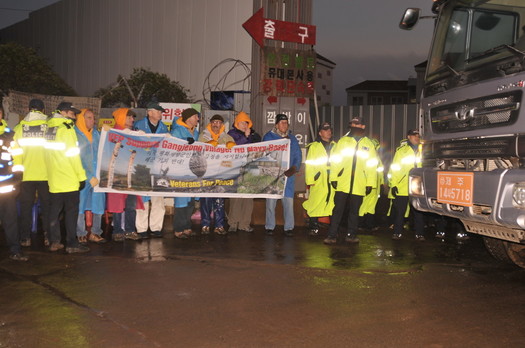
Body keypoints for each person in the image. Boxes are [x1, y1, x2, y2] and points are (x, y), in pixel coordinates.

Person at [323, 117, 378, 245]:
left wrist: (370, 183)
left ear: (363, 126)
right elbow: (335, 161)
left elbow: (371, 165)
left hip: (359, 183)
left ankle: (351, 235)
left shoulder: (368, 144)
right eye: (352, 124)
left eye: (357, 124)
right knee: (338, 210)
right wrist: (334, 178)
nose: (354, 125)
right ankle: (332, 235)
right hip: (343, 182)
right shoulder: (343, 141)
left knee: (355, 211)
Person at [45, 102, 89, 253]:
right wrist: (81, 177)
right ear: (63, 112)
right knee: (71, 213)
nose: (74, 117)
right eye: (72, 113)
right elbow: (73, 156)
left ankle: (54, 242)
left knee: (54, 212)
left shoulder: (49, 128)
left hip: (54, 179)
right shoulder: (67, 128)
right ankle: (72, 244)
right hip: (69, 178)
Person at [12, 99, 50, 247]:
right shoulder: (49, 126)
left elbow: (16, 153)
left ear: (29, 109)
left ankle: (25, 238)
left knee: (26, 207)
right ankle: (48, 236)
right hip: (45, 175)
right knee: (47, 207)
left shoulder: (19, 128)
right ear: (43, 110)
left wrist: (18, 173)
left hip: (26, 175)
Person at [105, 108, 143, 242]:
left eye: (132, 118)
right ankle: (117, 231)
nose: (132, 120)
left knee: (130, 205)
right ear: (121, 117)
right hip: (116, 175)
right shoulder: (112, 133)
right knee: (117, 205)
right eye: (129, 117)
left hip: (130, 175)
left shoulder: (134, 134)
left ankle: (130, 230)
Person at [133, 101, 169, 239]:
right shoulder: (139, 126)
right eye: (158, 111)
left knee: (158, 200)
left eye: (161, 111)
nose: (161, 114)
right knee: (142, 200)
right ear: (150, 112)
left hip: (158, 168)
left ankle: (156, 227)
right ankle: (141, 228)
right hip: (142, 167)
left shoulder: (164, 128)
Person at [262, 114, 302, 237]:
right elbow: (264, 152)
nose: (284, 125)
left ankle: (289, 227)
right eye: (282, 122)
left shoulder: (292, 139)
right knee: (270, 202)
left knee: (288, 202)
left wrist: (294, 168)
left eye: (286, 122)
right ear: (276, 124)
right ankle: (269, 226)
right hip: (273, 176)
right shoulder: (269, 137)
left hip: (288, 176)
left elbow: (297, 155)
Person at [198, 114, 235, 235]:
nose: (216, 124)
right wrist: (207, 144)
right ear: (210, 123)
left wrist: (232, 148)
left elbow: (233, 157)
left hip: (221, 173)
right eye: (214, 122)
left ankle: (219, 225)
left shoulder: (228, 137)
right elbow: (197, 152)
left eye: (218, 122)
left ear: (222, 125)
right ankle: (205, 224)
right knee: (206, 200)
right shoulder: (203, 137)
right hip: (207, 173)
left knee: (219, 200)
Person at [0, 106, 27, 261]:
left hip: (7, 188)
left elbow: (18, 157)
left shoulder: (10, 135)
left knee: (11, 221)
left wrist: (17, 179)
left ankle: (15, 250)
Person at [74, 108, 106, 244]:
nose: (92, 121)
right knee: (80, 206)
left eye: (93, 118)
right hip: (81, 176)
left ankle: (95, 232)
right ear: (81, 119)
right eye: (89, 118)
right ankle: (80, 233)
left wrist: (108, 134)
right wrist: (88, 175)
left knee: (98, 204)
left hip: (97, 177)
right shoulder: (74, 135)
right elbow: (75, 158)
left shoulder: (97, 134)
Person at [226, 111, 261, 233]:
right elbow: (236, 146)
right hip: (236, 169)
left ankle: (244, 223)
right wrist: (246, 137)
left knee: (248, 197)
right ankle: (233, 223)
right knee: (236, 198)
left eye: (246, 123)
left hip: (249, 169)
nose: (244, 125)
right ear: (237, 123)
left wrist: (252, 136)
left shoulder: (252, 135)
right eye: (242, 123)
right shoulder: (231, 134)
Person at [388, 129, 425, 241]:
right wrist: (393, 184)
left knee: (418, 212)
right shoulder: (401, 151)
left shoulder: (423, 151)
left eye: (418, 136)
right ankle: (397, 232)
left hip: (418, 187)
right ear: (409, 137)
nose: (417, 137)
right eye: (414, 135)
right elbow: (394, 168)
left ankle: (419, 234)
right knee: (400, 211)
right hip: (402, 186)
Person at [171, 108, 200, 239]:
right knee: (181, 201)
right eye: (195, 117)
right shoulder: (177, 131)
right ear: (188, 118)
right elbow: (170, 147)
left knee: (190, 201)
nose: (197, 119)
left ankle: (187, 226)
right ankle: (178, 228)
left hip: (192, 170)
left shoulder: (196, 132)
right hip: (180, 170)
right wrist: (184, 144)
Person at [302, 122, 335, 236]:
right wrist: (311, 180)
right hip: (319, 180)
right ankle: (313, 226)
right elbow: (310, 164)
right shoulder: (314, 146)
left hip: (332, 180)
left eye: (330, 129)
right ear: (320, 133)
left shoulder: (335, 146)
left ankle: (333, 228)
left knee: (332, 202)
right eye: (325, 129)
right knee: (315, 202)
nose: (329, 131)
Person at [358, 138, 384, 231]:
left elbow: (380, 172)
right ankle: (360, 224)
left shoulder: (377, 158)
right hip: (368, 185)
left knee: (371, 206)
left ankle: (369, 224)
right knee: (363, 205)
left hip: (375, 187)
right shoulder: (368, 157)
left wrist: (381, 183)